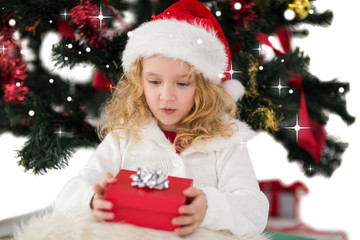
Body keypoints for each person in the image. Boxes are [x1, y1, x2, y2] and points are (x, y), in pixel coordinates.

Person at [55, 0, 269, 237]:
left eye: (182, 83)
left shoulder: (225, 141)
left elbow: (255, 209)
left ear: (205, 88)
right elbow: (69, 193)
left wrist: (210, 207)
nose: (166, 96)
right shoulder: (125, 135)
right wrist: (92, 198)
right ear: (139, 82)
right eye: (154, 82)